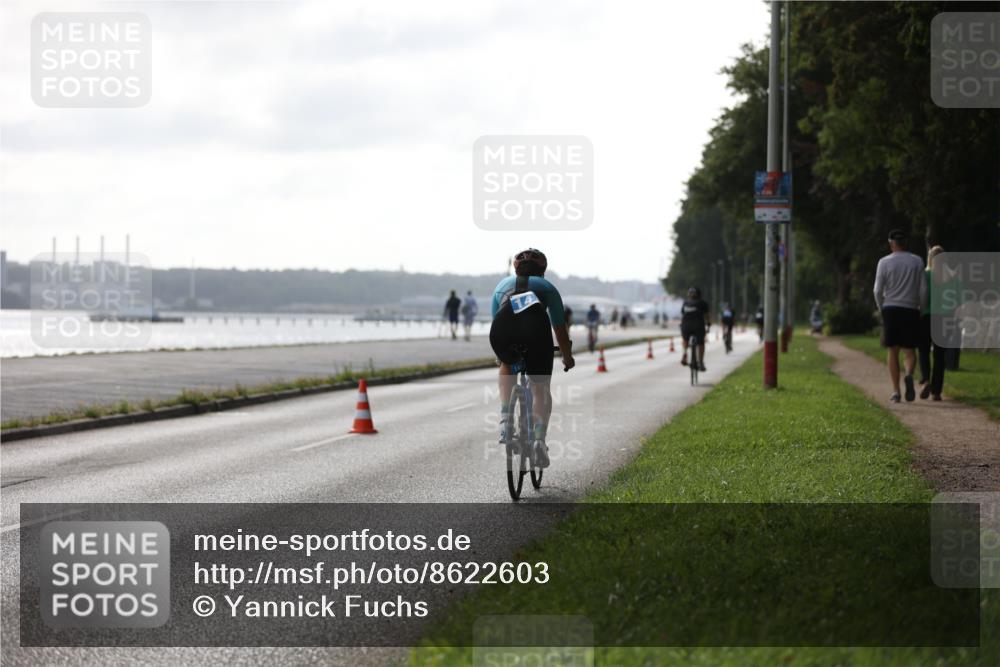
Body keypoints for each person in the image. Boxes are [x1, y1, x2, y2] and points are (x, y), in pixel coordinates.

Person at [490, 249, 575, 468]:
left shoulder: (501, 286)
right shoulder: (547, 288)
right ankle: (538, 439)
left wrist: (502, 357)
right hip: (536, 332)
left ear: (515, 268)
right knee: (540, 387)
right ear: (542, 270)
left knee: (507, 365)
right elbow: (560, 331)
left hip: (503, 330)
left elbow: (497, 322)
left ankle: (505, 420)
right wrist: (567, 357)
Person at [873, 229, 926, 403]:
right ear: (906, 243)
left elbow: (877, 290)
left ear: (891, 244)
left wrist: (881, 308)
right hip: (911, 308)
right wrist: (921, 309)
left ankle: (896, 391)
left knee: (892, 350)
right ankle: (909, 375)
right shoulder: (917, 261)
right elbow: (923, 290)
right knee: (910, 350)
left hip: (891, 308)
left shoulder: (884, 262)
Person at [918, 246, 947, 400]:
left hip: (926, 317)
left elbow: (919, 294)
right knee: (940, 355)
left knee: (923, 350)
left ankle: (925, 380)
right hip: (943, 317)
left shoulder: (924, 275)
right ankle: (936, 391)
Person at [679, 287, 709, 372]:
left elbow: (683, 314)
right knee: (701, 343)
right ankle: (701, 362)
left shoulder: (685, 302)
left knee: (685, 339)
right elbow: (706, 316)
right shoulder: (702, 303)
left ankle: (684, 354)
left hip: (686, 326)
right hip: (698, 326)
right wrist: (708, 324)